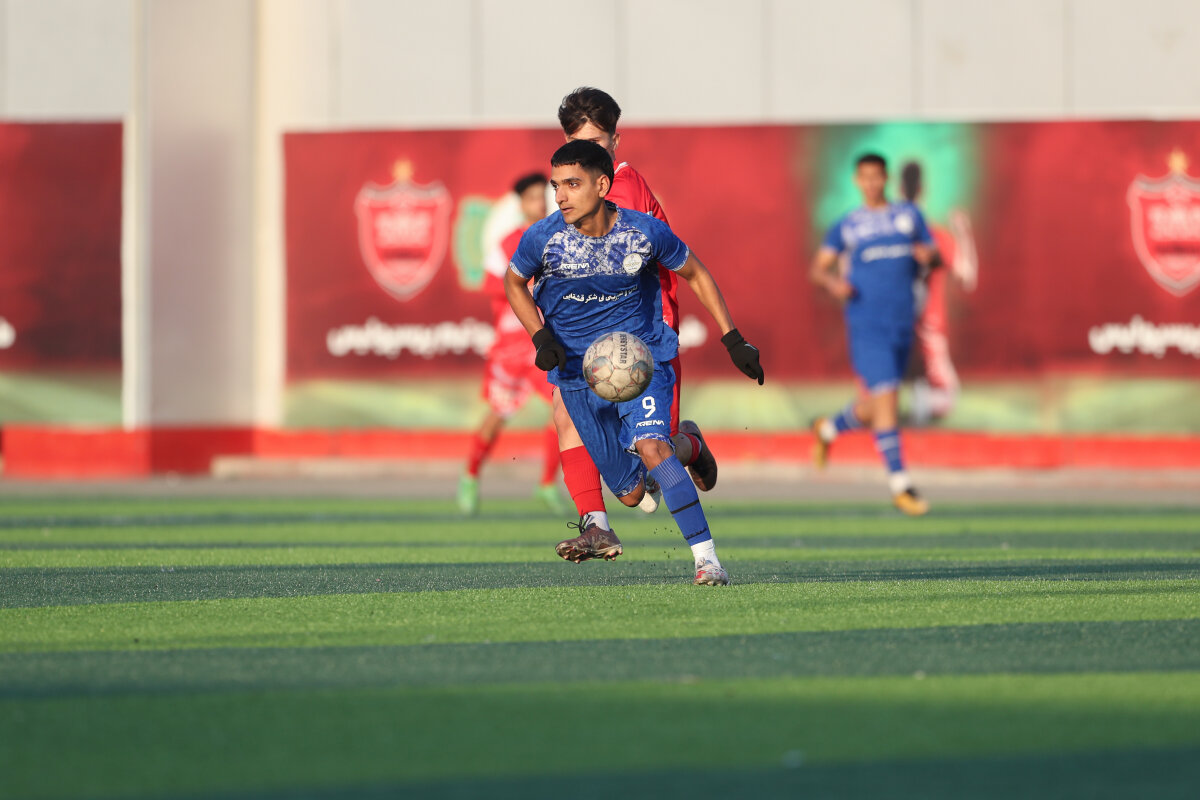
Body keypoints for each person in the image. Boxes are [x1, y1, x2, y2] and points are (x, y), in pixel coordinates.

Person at [505, 140, 764, 585]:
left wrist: (733, 338)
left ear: (602, 186)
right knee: (631, 494)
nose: (561, 196)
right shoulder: (542, 238)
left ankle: (707, 561)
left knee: (651, 448)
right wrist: (540, 336)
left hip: (641, 361)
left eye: (572, 184)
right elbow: (513, 283)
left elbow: (696, 272)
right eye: (556, 186)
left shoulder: (643, 232)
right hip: (578, 375)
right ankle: (690, 445)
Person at [547, 88, 718, 542]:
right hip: (591, 327)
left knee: (651, 461)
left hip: (643, 331)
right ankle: (596, 526)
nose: (587, 154)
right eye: (578, 144)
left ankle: (690, 446)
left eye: (596, 144)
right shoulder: (572, 191)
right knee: (564, 409)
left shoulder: (620, 186)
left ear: (615, 142)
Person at [809, 153, 941, 516]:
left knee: (880, 404)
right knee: (888, 402)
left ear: (886, 179)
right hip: (867, 323)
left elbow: (934, 257)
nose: (870, 183)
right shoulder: (848, 225)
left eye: (876, 177)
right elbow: (819, 269)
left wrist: (928, 257)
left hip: (903, 322)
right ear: (857, 181)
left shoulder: (909, 216)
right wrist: (834, 284)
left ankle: (828, 429)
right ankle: (901, 486)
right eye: (864, 177)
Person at [458, 173, 566, 516]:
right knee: (498, 414)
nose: (538, 203)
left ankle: (547, 484)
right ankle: (470, 476)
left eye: (541, 196)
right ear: (520, 203)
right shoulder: (508, 243)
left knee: (562, 409)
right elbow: (492, 284)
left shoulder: (560, 238)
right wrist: (524, 283)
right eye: (531, 197)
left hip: (544, 342)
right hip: (512, 346)